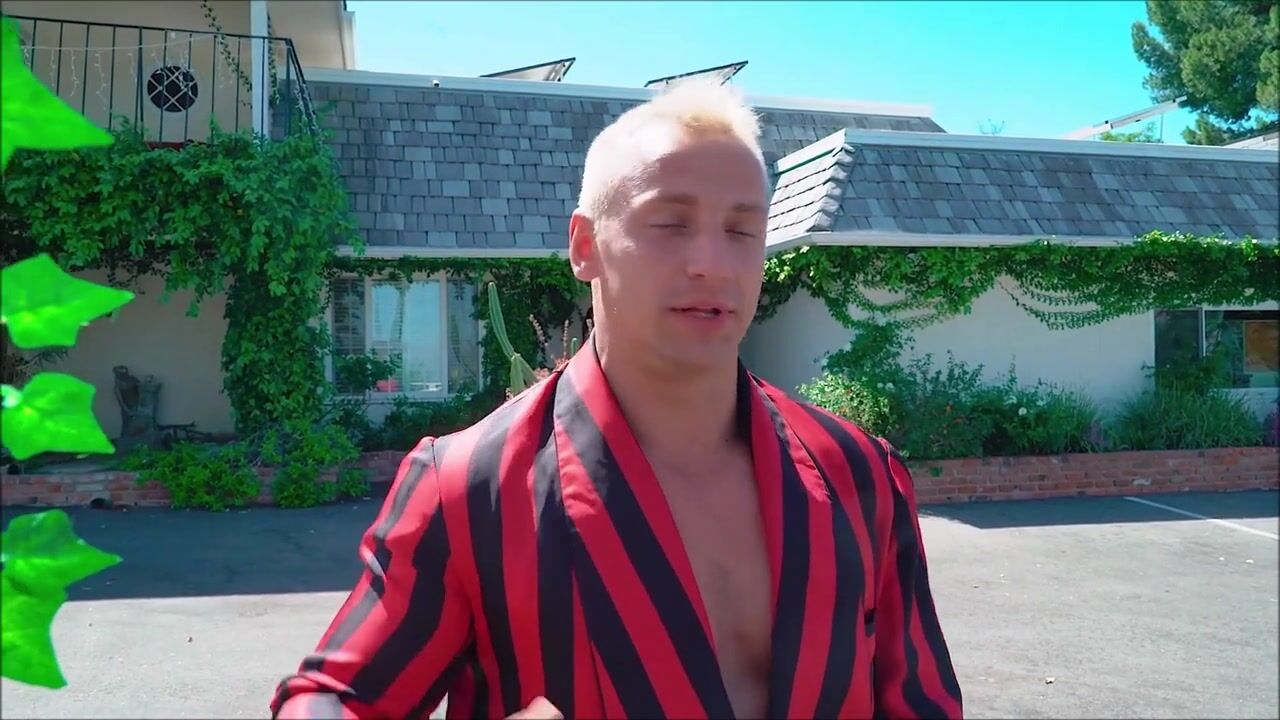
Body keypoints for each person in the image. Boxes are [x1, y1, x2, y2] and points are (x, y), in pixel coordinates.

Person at [270, 78, 962, 720]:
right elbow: (333, 699)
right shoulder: (468, 490)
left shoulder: (860, 475)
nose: (712, 263)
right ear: (585, 246)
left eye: (741, 230)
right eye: (670, 222)